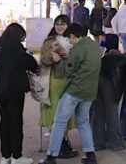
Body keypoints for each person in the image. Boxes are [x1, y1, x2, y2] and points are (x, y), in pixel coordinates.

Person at [42, 23, 102, 164]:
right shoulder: (94, 46)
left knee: (59, 123)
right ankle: (90, 154)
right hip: (90, 91)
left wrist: (58, 60)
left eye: (69, 38)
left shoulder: (78, 49)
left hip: (74, 91)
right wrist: (66, 58)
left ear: (75, 36)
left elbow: (67, 71)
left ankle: (51, 157)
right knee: (83, 122)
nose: (69, 42)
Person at [0, 23, 39, 164]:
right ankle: (17, 155)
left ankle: (5, 156)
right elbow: (33, 66)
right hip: (15, 90)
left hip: (0, 90)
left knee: (4, 121)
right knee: (16, 121)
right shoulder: (18, 50)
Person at [39, 15, 79, 159]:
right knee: (55, 113)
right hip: (55, 81)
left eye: (63, 24)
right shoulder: (50, 41)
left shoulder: (73, 39)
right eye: (57, 24)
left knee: (66, 115)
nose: (60, 26)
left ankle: (64, 141)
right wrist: (53, 54)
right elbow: (43, 59)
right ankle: (59, 145)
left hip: (70, 81)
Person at [91, 35, 126, 151]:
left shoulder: (102, 58)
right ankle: (117, 143)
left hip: (97, 83)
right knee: (112, 113)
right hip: (112, 86)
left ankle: (98, 143)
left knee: (98, 113)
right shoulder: (125, 58)